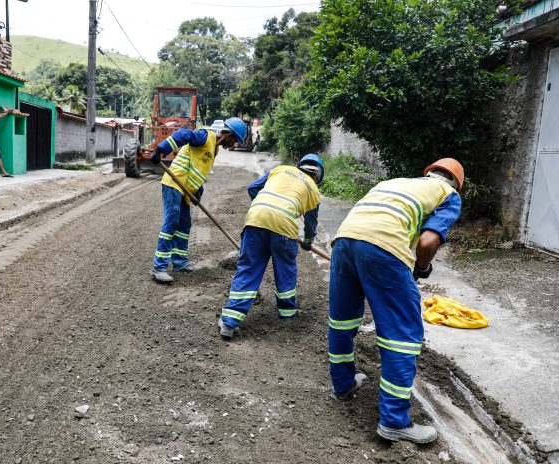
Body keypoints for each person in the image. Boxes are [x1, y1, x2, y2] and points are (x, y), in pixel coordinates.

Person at [327, 158, 464, 444]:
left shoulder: (394, 183)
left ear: (428, 173)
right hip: (383, 247)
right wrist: (421, 268)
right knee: (403, 336)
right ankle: (394, 422)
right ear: (457, 185)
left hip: (344, 242)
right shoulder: (449, 195)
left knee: (341, 322)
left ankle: (343, 385)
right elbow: (427, 243)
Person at [217, 154, 324, 339]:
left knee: (248, 270)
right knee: (285, 271)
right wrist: (307, 242)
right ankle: (287, 314)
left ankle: (229, 322)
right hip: (284, 229)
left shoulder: (280, 169)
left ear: (300, 166)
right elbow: (311, 224)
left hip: (256, 220)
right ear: (318, 176)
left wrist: (265, 208)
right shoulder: (313, 189)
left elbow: (253, 188)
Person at [149, 117, 248, 284]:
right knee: (171, 222)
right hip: (174, 183)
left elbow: (199, 172)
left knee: (184, 225)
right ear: (228, 134)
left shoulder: (214, 150)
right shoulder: (204, 136)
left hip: (186, 190)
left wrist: (198, 193)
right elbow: (183, 133)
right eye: (234, 140)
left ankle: (180, 262)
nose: (233, 144)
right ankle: (159, 267)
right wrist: (161, 149)